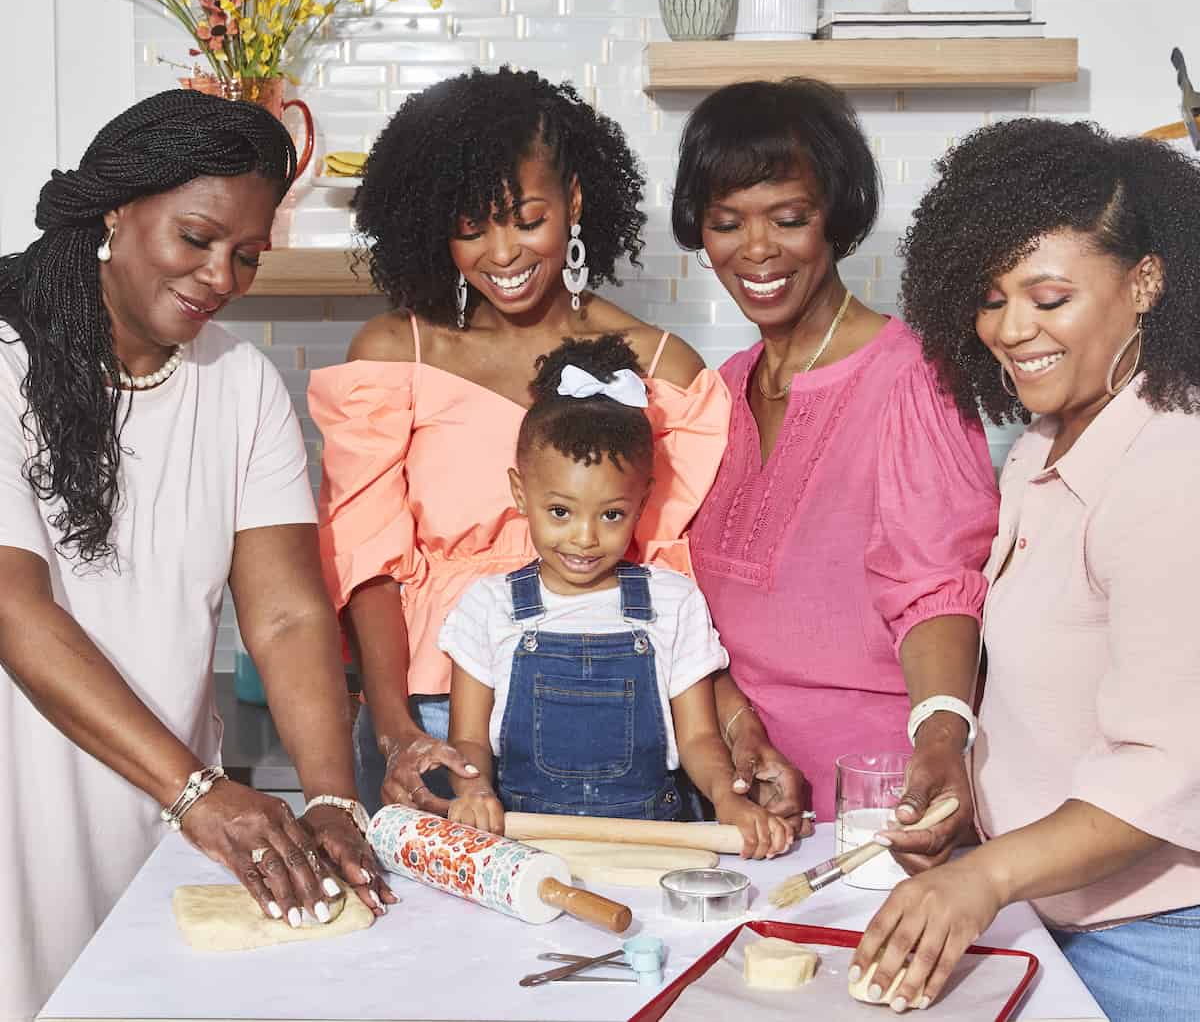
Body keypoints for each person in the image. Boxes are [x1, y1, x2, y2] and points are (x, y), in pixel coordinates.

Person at [0, 91, 393, 1022]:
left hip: (173, 804)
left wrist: (336, 798)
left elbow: (289, 612)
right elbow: (15, 609)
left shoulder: (240, 384)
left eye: (247, 255)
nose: (223, 274)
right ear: (116, 211)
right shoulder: (5, 363)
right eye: (198, 238)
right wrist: (203, 795)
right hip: (29, 805)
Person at [310, 67, 731, 818]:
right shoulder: (394, 355)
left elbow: (675, 585)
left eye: (525, 218)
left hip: (616, 719)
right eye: (471, 227)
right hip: (435, 710)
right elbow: (366, 564)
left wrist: (732, 730)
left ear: (572, 202)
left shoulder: (659, 367)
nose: (501, 253)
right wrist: (397, 731)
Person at [851, 118, 1200, 1020]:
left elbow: (1168, 771)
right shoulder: (1049, 442)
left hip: (1160, 945)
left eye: (1048, 298)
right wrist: (965, 787)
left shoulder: (1173, 464)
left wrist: (984, 879)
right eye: (991, 297)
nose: (1011, 329)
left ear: (1146, 282)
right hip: (1062, 922)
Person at [671, 79, 999, 851]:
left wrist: (942, 741)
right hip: (736, 801)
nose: (756, 250)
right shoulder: (715, 395)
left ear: (837, 218)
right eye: (727, 222)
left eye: (789, 218)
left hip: (882, 805)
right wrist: (740, 733)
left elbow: (938, 591)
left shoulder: (913, 379)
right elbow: (684, 613)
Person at [439, 334, 792, 858]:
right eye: (560, 511)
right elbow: (469, 740)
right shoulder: (486, 607)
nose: (584, 537)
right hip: (529, 848)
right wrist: (471, 790)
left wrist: (728, 799)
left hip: (653, 846)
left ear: (642, 501)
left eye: (611, 515)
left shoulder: (673, 602)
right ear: (521, 493)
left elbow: (698, 739)